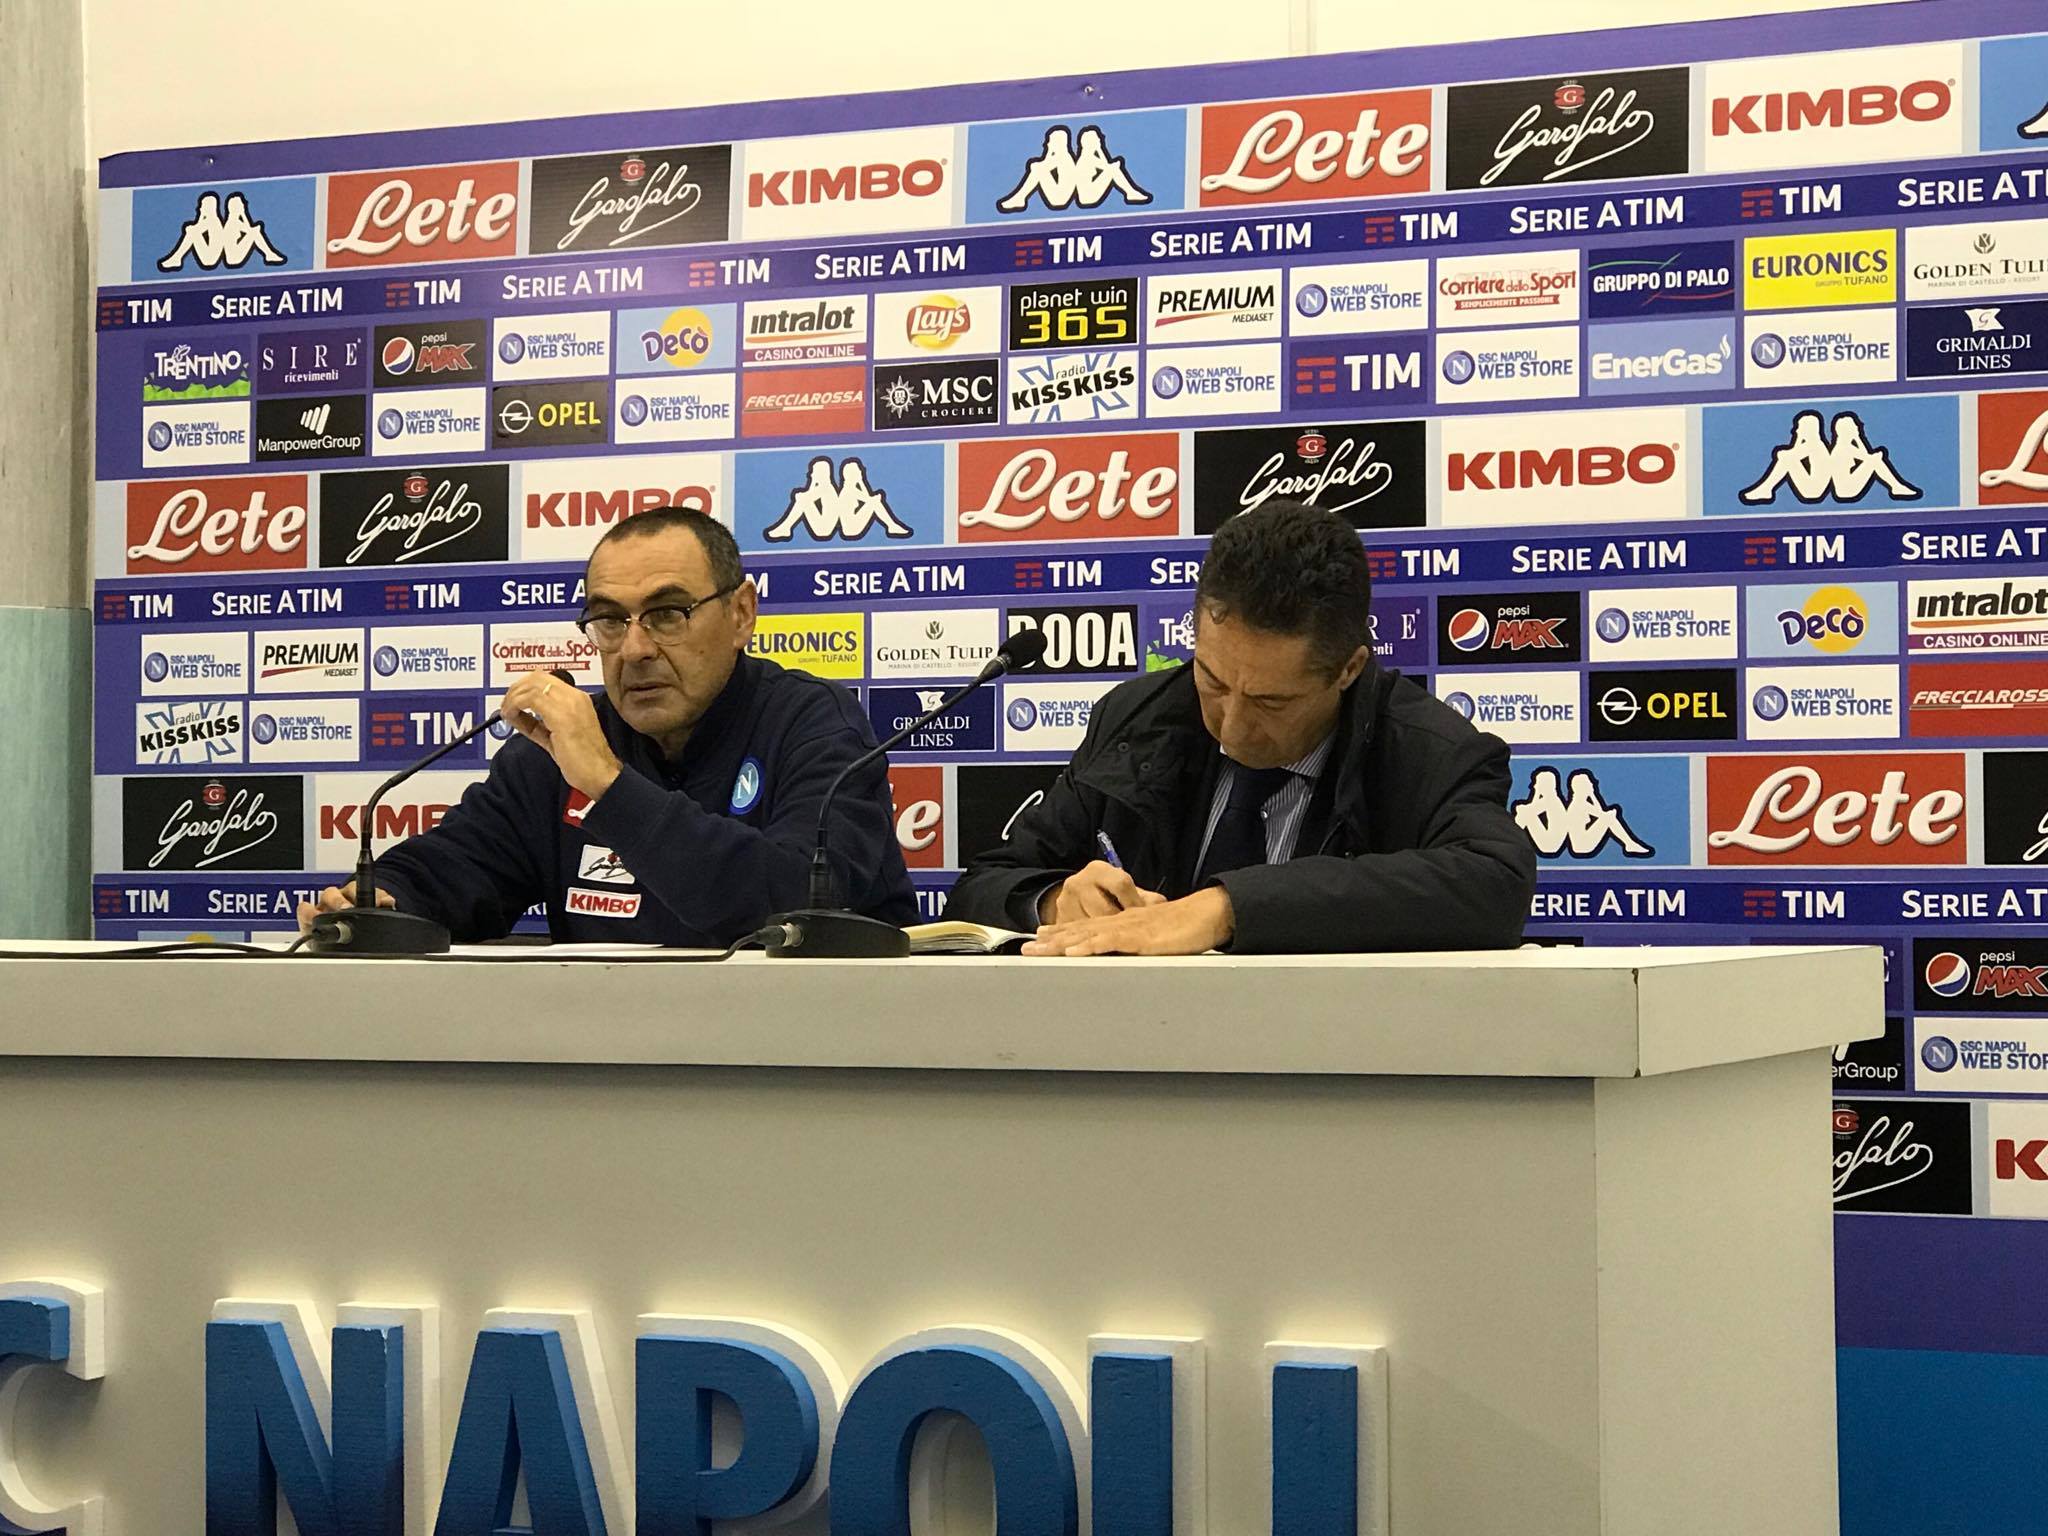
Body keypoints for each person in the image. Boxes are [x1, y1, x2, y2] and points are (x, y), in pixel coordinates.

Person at [297, 507, 914, 943]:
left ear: (741, 614)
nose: (635, 649)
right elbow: (461, 866)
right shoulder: (561, 747)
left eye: (668, 613)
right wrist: (385, 897)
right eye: (610, 621)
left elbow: (798, 908)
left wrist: (609, 785)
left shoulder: (815, 726)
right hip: (607, 1059)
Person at [946, 500, 1536, 955]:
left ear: (1349, 670)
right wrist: (1054, 902)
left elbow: (1495, 885)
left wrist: (1227, 909)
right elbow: (983, 886)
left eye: (1270, 702)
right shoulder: (1133, 717)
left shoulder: (1431, 749)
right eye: (1211, 680)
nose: (1231, 726)